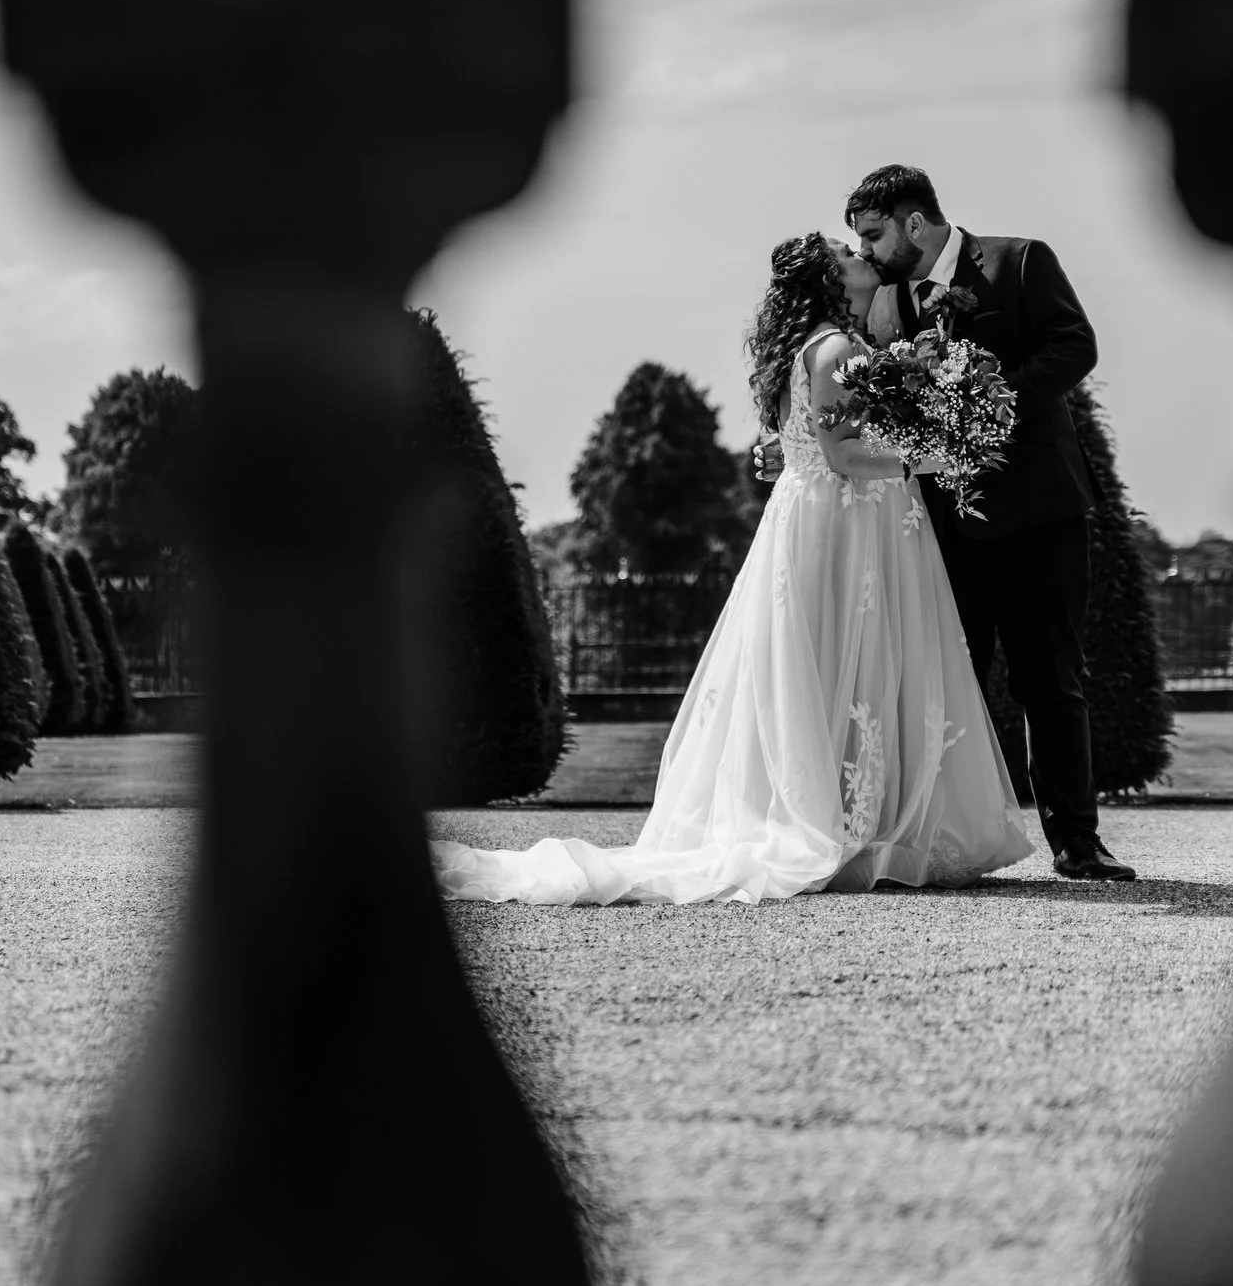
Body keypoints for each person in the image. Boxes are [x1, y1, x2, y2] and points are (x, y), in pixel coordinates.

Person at [432, 233, 1035, 905]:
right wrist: (935, 457)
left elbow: (813, 441)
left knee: (844, 666)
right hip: (844, 519)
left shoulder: (835, 343)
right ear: (828, 282)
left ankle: (861, 817)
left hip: (843, 519)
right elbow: (841, 456)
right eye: (845, 252)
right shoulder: (836, 349)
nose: (857, 253)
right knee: (848, 661)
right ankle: (852, 824)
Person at [761, 163, 1135, 882]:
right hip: (934, 527)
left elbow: (1074, 346)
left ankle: (1078, 846)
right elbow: (848, 405)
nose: (864, 252)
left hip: (1036, 513)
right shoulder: (883, 303)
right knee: (925, 678)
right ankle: (928, 838)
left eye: (871, 234)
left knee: (1049, 677)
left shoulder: (1021, 260)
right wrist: (793, 440)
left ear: (911, 221)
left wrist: (986, 409)